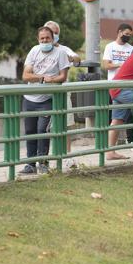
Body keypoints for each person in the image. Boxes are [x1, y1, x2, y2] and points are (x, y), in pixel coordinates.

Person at [20, 26, 70, 174]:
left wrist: (52, 80)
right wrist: (41, 77)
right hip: (30, 98)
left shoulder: (60, 53)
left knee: (43, 130)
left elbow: (63, 76)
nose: (44, 41)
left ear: (53, 39)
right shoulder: (34, 51)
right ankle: (30, 164)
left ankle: (43, 162)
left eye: (47, 38)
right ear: (38, 39)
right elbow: (26, 75)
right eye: (42, 39)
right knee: (30, 131)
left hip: (47, 99)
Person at [44, 20, 80, 168]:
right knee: (44, 126)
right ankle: (43, 157)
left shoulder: (64, 49)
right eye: (50, 32)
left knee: (65, 125)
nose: (53, 35)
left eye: (56, 33)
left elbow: (77, 59)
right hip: (43, 93)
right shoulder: (37, 50)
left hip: (62, 91)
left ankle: (66, 156)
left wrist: (72, 58)